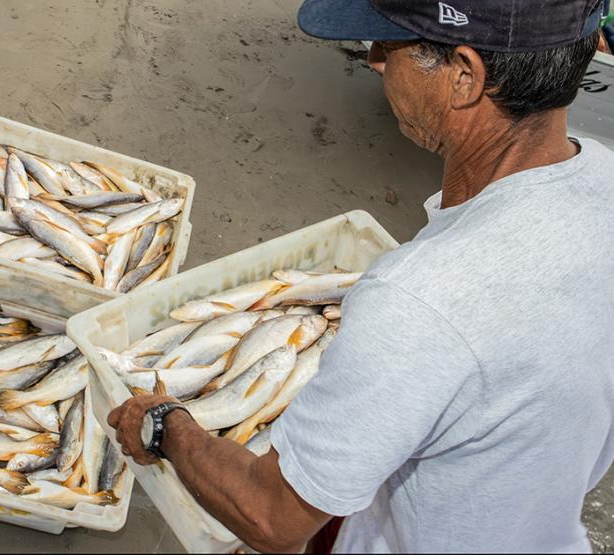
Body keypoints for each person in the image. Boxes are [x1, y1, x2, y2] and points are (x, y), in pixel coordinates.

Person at [107, 0, 614, 552]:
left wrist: (166, 427)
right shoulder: (604, 183)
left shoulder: (419, 300)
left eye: (388, 45)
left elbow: (272, 517)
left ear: (464, 76)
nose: (373, 61)